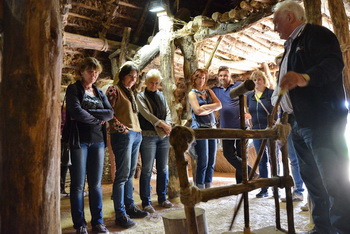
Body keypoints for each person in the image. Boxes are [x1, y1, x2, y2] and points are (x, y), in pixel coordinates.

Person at [273, 1, 350, 233]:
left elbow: (334, 64)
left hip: (322, 121)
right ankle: (323, 228)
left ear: (289, 17)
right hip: (298, 122)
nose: (274, 27)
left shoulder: (316, 35)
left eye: (276, 22)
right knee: (314, 183)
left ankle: (342, 229)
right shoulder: (290, 46)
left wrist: (303, 77)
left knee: (334, 182)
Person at [63, 57, 113, 234]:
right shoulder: (73, 89)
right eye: (91, 71)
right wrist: (95, 119)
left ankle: (98, 222)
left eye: (96, 72)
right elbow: (75, 111)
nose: (94, 75)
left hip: (98, 141)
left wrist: (89, 115)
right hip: (79, 141)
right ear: (82, 72)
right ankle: (80, 225)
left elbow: (109, 113)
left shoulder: (99, 92)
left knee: (96, 184)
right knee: (77, 185)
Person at [106, 62, 148, 229]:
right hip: (123, 135)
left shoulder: (131, 92)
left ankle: (130, 207)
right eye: (131, 75)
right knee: (122, 175)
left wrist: (137, 132)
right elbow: (108, 112)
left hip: (135, 134)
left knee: (130, 174)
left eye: (136, 76)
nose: (133, 79)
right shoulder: (113, 89)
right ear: (123, 75)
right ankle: (120, 213)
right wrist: (120, 127)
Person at [136, 69, 174, 213]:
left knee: (163, 168)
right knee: (147, 169)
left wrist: (168, 124)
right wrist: (162, 124)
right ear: (146, 82)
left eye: (156, 83)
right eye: (151, 82)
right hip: (148, 136)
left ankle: (162, 198)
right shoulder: (140, 96)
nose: (154, 85)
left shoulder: (161, 96)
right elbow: (146, 114)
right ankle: (146, 201)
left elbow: (168, 112)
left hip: (163, 136)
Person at [212, 66, 256, 183]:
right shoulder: (216, 91)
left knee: (242, 156)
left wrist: (249, 112)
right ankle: (250, 171)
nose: (223, 77)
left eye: (225, 75)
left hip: (241, 126)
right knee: (228, 154)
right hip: (226, 127)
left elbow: (252, 94)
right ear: (218, 77)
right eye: (221, 75)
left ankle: (240, 184)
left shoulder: (238, 86)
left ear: (229, 76)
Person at [272, 55, 305, 203]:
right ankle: (298, 190)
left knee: (308, 158)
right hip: (288, 119)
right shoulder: (279, 83)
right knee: (293, 159)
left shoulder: (298, 77)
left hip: (303, 117)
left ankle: (312, 198)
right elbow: (274, 99)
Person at [188, 68, 222, 189]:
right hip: (200, 128)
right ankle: (200, 186)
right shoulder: (192, 94)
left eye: (203, 77)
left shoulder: (209, 92)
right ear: (194, 79)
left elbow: (219, 105)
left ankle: (208, 185)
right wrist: (211, 108)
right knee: (203, 159)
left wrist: (206, 107)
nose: (201, 80)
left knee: (212, 160)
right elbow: (197, 111)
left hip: (212, 127)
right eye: (199, 77)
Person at [246, 70, 277, 198]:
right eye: (254, 80)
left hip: (270, 130)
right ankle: (264, 189)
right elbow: (249, 111)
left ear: (264, 81)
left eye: (259, 79)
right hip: (257, 131)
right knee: (261, 160)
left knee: (273, 159)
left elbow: (276, 109)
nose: (257, 82)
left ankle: (276, 187)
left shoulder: (270, 93)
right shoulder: (250, 96)